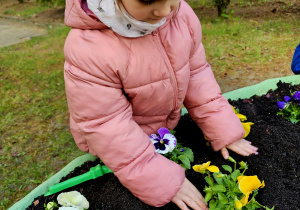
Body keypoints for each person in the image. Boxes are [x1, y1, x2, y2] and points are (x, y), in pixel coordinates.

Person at [63, 0, 258, 209]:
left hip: (161, 133)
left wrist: (222, 126)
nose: (165, 11)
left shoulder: (180, 15)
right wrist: (159, 180)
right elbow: (107, 126)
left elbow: (196, 73)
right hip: (118, 148)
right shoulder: (88, 48)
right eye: (147, 0)